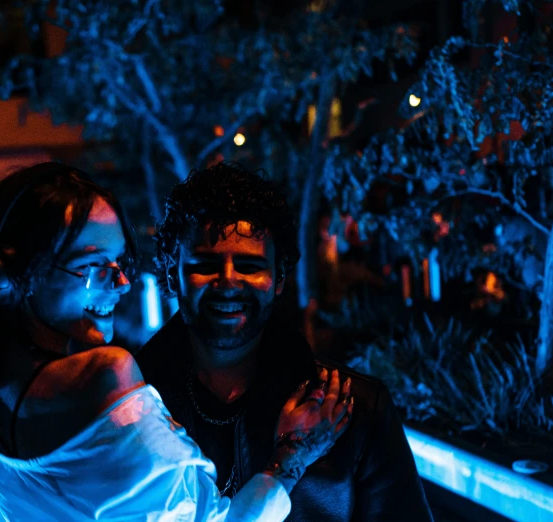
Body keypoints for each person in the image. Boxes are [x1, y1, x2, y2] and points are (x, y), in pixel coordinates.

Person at [0, 162, 354, 521]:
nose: (122, 283)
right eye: (91, 266)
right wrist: (288, 461)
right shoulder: (105, 375)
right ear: (10, 264)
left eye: (122, 263)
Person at [136, 162, 433, 521]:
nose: (228, 282)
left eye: (249, 266)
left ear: (278, 279)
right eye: (205, 264)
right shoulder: (128, 412)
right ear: (173, 274)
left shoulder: (358, 411)